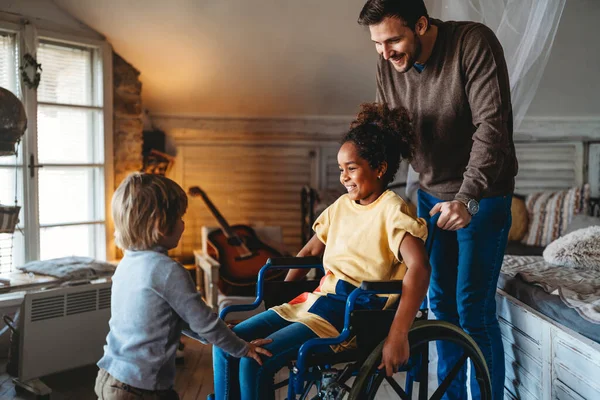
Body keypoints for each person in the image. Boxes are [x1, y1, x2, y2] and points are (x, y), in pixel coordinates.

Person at [212, 103, 431, 400]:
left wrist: (398, 333)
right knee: (224, 343)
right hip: (313, 303)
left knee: (255, 361)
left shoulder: (392, 211)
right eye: (342, 169)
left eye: (351, 168)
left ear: (379, 168)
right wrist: (280, 305)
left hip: (347, 315)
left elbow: (420, 268)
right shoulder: (341, 207)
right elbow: (305, 255)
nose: (344, 177)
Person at [357, 1, 518, 399]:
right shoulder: (388, 62)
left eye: (393, 39)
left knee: (473, 310)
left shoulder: (472, 44)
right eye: (377, 43)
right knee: (441, 309)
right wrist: (365, 190)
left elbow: (491, 128)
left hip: (481, 196)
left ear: (422, 25)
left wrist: (466, 199)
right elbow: (385, 134)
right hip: (430, 194)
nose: (385, 52)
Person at [95, 173, 271, 400]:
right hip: (139, 389)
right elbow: (205, 324)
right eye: (179, 217)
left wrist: (216, 332)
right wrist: (244, 348)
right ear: (160, 226)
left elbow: (171, 319)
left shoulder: (127, 263)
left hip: (111, 377)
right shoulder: (168, 270)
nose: (183, 224)